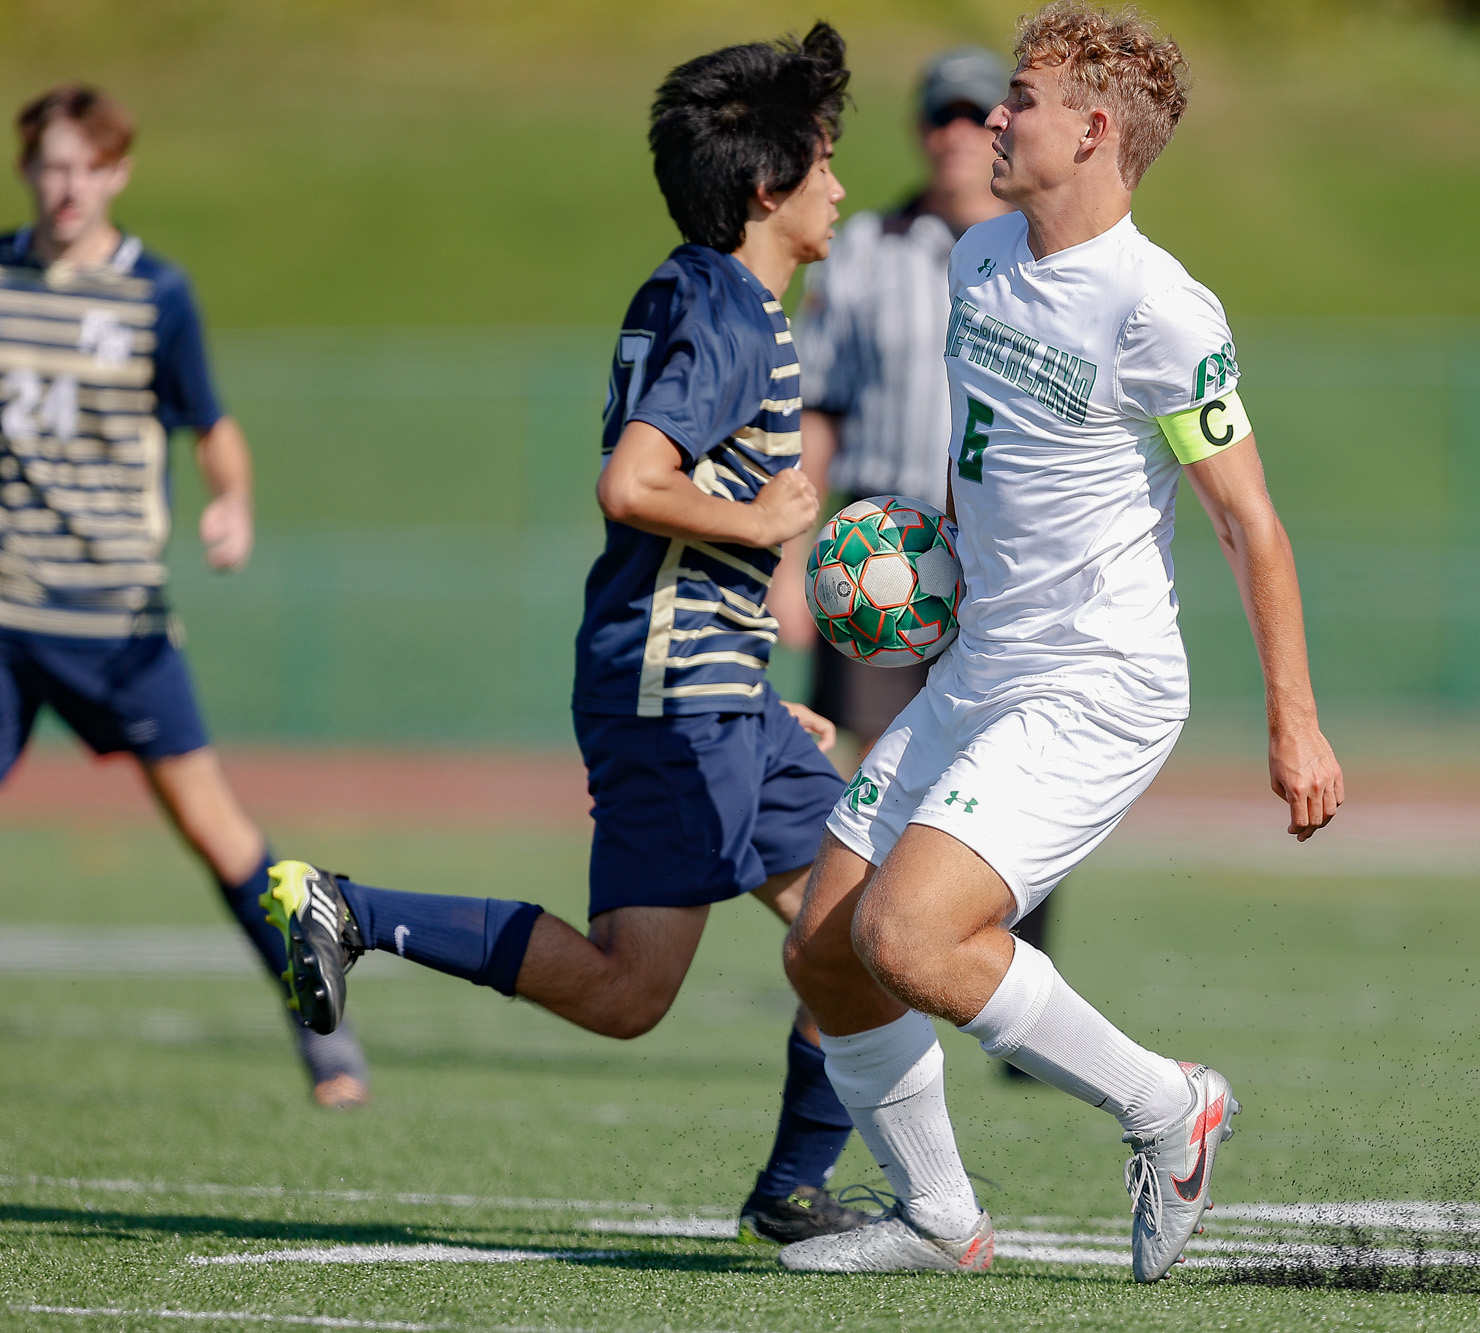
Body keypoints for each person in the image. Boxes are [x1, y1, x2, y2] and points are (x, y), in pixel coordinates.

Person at [259, 25, 874, 1245]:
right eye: (823, 161)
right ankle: (346, 908)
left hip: (712, 691)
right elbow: (632, 482)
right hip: (671, 693)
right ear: (768, 187)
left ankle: (795, 1187)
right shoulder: (732, 313)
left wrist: (755, 688)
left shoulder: (709, 289)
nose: (840, 184)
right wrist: (760, 516)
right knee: (629, 992)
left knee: (861, 933)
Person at [774, 2, 1343, 1282]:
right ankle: (939, 1218)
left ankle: (1166, 1106)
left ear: (1091, 132)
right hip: (980, 664)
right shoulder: (978, 258)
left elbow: (1250, 524)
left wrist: (1292, 717)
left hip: (1095, 683)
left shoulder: (1158, 309)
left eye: (1018, 98)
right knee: (822, 947)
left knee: (911, 940)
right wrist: (927, 564)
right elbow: (987, 459)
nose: (993, 116)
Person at [0, 85, 371, 1108]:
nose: (65, 186)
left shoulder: (155, 293)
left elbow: (211, 424)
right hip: (5, 617)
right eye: (49, 166)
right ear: (27, 169)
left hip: (117, 623)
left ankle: (319, 1020)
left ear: (117, 172)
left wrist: (233, 503)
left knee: (219, 835)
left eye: (86, 167)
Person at [779, 46, 1057, 1074]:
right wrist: (792, 559)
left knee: (1010, 757)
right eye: (938, 114)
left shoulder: (1036, 245)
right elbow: (821, 400)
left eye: (975, 112)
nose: (955, 132)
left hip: (995, 539)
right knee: (870, 771)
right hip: (883, 544)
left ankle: (1005, 980)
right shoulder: (864, 246)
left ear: (1003, 127)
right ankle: (876, 977)